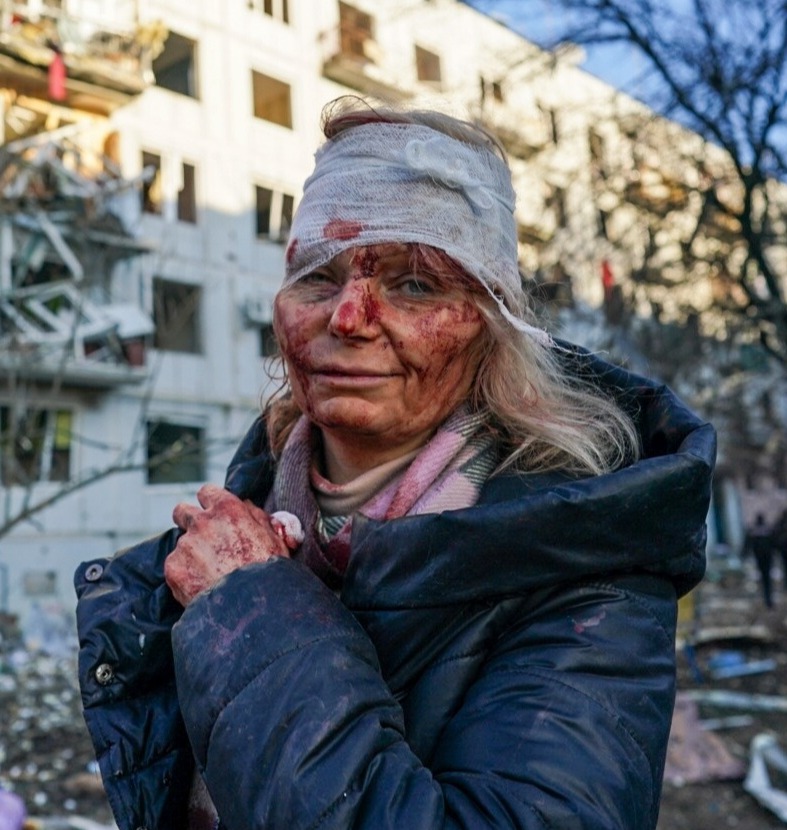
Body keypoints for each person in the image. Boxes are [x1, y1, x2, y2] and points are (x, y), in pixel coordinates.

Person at [74, 97, 716, 830]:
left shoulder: (589, 571)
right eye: (318, 275)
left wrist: (253, 607)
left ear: (491, 328)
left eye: (414, 284)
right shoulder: (238, 521)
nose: (345, 317)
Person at [744, 512, 776, 608]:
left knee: (764, 578)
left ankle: (767, 599)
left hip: (760, 559)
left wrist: (744, 555)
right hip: (768, 559)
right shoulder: (768, 531)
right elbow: (775, 544)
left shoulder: (753, 532)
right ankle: (769, 599)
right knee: (767, 578)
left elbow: (747, 546)